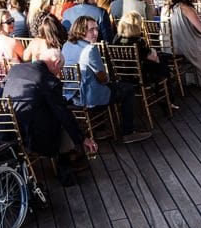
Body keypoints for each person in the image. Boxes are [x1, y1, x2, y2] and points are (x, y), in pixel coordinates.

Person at [2, 48, 99, 186]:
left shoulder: (16, 69)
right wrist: (83, 138)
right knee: (63, 123)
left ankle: (71, 157)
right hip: (32, 135)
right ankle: (65, 167)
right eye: (60, 69)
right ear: (56, 62)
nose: (59, 73)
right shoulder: (49, 81)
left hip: (9, 129)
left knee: (55, 117)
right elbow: (62, 113)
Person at [64, 15, 153, 144]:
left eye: (96, 29)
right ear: (81, 30)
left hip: (70, 94)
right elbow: (103, 78)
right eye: (91, 30)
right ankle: (128, 132)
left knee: (99, 85)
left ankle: (100, 129)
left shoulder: (67, 45)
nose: (95, 33)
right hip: (88, 97)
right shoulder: (90, 49)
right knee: (127, 89)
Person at [113, 11, 172, 87]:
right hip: (141, 77)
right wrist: (153, 52)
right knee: (163, 59)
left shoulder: (116, 39)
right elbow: (152, 58)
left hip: (123, 77)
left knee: (161, 58)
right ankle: (167, 88)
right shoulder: (138, 42)